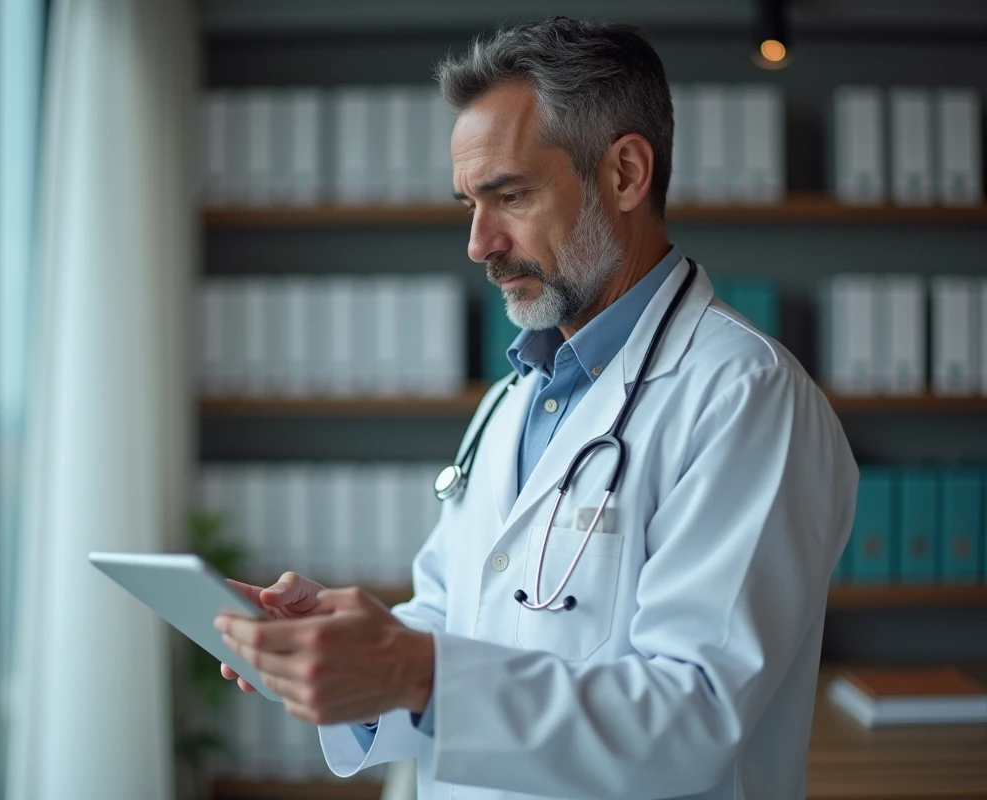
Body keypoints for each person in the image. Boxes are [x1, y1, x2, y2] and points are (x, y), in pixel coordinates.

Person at [213, 17, 857, 800]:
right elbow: (457, 618)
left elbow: (696, 717)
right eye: (468, 204)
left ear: (625, 174)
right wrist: (349, 649)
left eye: (509, 195)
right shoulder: (512, 400)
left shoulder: (744, 398)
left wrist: (418, 671)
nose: (480, 243)